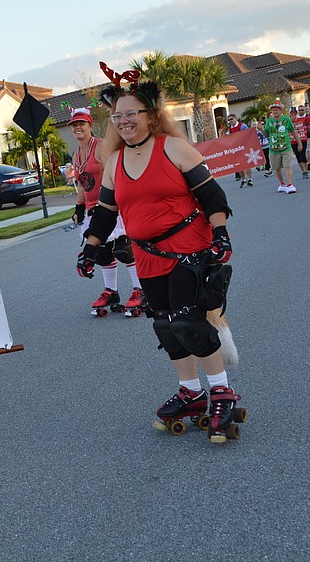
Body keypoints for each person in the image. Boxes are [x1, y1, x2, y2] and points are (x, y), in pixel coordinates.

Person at [80, 64, 240, 443]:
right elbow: (105, 213)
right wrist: (89, 249)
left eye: (131, 114)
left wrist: (220, 233)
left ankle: (221, 392)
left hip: (188, 249)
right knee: (166, 327)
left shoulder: (174, 148)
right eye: (117, 116)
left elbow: (212, 196)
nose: (123, 121)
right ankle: (191, 392)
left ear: (151, 114)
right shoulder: (114, 162)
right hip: (147, 256)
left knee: (190, 323)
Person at [68, 107, 144, 316]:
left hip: (112, 205)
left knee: (124, 250)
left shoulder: (101, 146)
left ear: (89, 125)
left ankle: (140, 289)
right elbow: (82, 184)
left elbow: (117, 172)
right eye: (74, 125)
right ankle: (111, 292)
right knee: (102, 253)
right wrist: (79, 207)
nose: (77, 128)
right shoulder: (76, 155)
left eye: (81, 124)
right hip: (93, 209)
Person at [263, 100, 302, 193]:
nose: (275, 112)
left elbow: (293, 131)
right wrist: (261, 129)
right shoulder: (269, 121)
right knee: (277, 167)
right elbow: (266, 135)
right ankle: (282, 184)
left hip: (286, 147)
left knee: (288, 165)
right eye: (273, 110)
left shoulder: (286, 120)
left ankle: (290, 184)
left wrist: (299, 143)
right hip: (273, 149)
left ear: (281, 111)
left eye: (276, 110)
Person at [225, 114, 253, 187]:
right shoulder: (229, 129)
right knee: (239, 165)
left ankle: (250, 179)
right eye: (229, 120)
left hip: (244, 147)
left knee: (246, 164)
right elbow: (227, 138)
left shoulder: (242, 126)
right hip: (236, 149)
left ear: (235, 118)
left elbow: (248, 134)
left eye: (231, 119)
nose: (230, 121)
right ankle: (243, 180)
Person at [292, 105, 310, 179]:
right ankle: (303, 171)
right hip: (293, 141)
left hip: (302, 139)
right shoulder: (288, 122)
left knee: (302, 154)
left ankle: (306, 170)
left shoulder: (302, 119)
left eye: (294, 114)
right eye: (292, 114)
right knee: (298, 156)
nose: (293, 115)